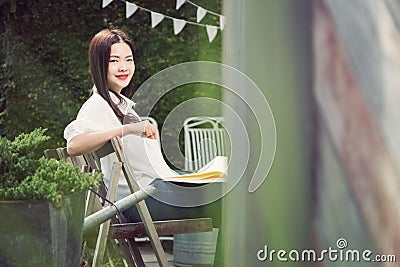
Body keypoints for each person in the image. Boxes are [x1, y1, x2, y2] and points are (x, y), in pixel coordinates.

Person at [64, 29, 211, 222]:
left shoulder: (120, 105)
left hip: (151, 191)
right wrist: (127, 129)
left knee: (226, 189)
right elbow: (74, 146)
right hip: (136, 201)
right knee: (231, 198)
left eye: (129, 59)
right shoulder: (97, 104)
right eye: (114, 61)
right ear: (98, 65)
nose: (123, 67)